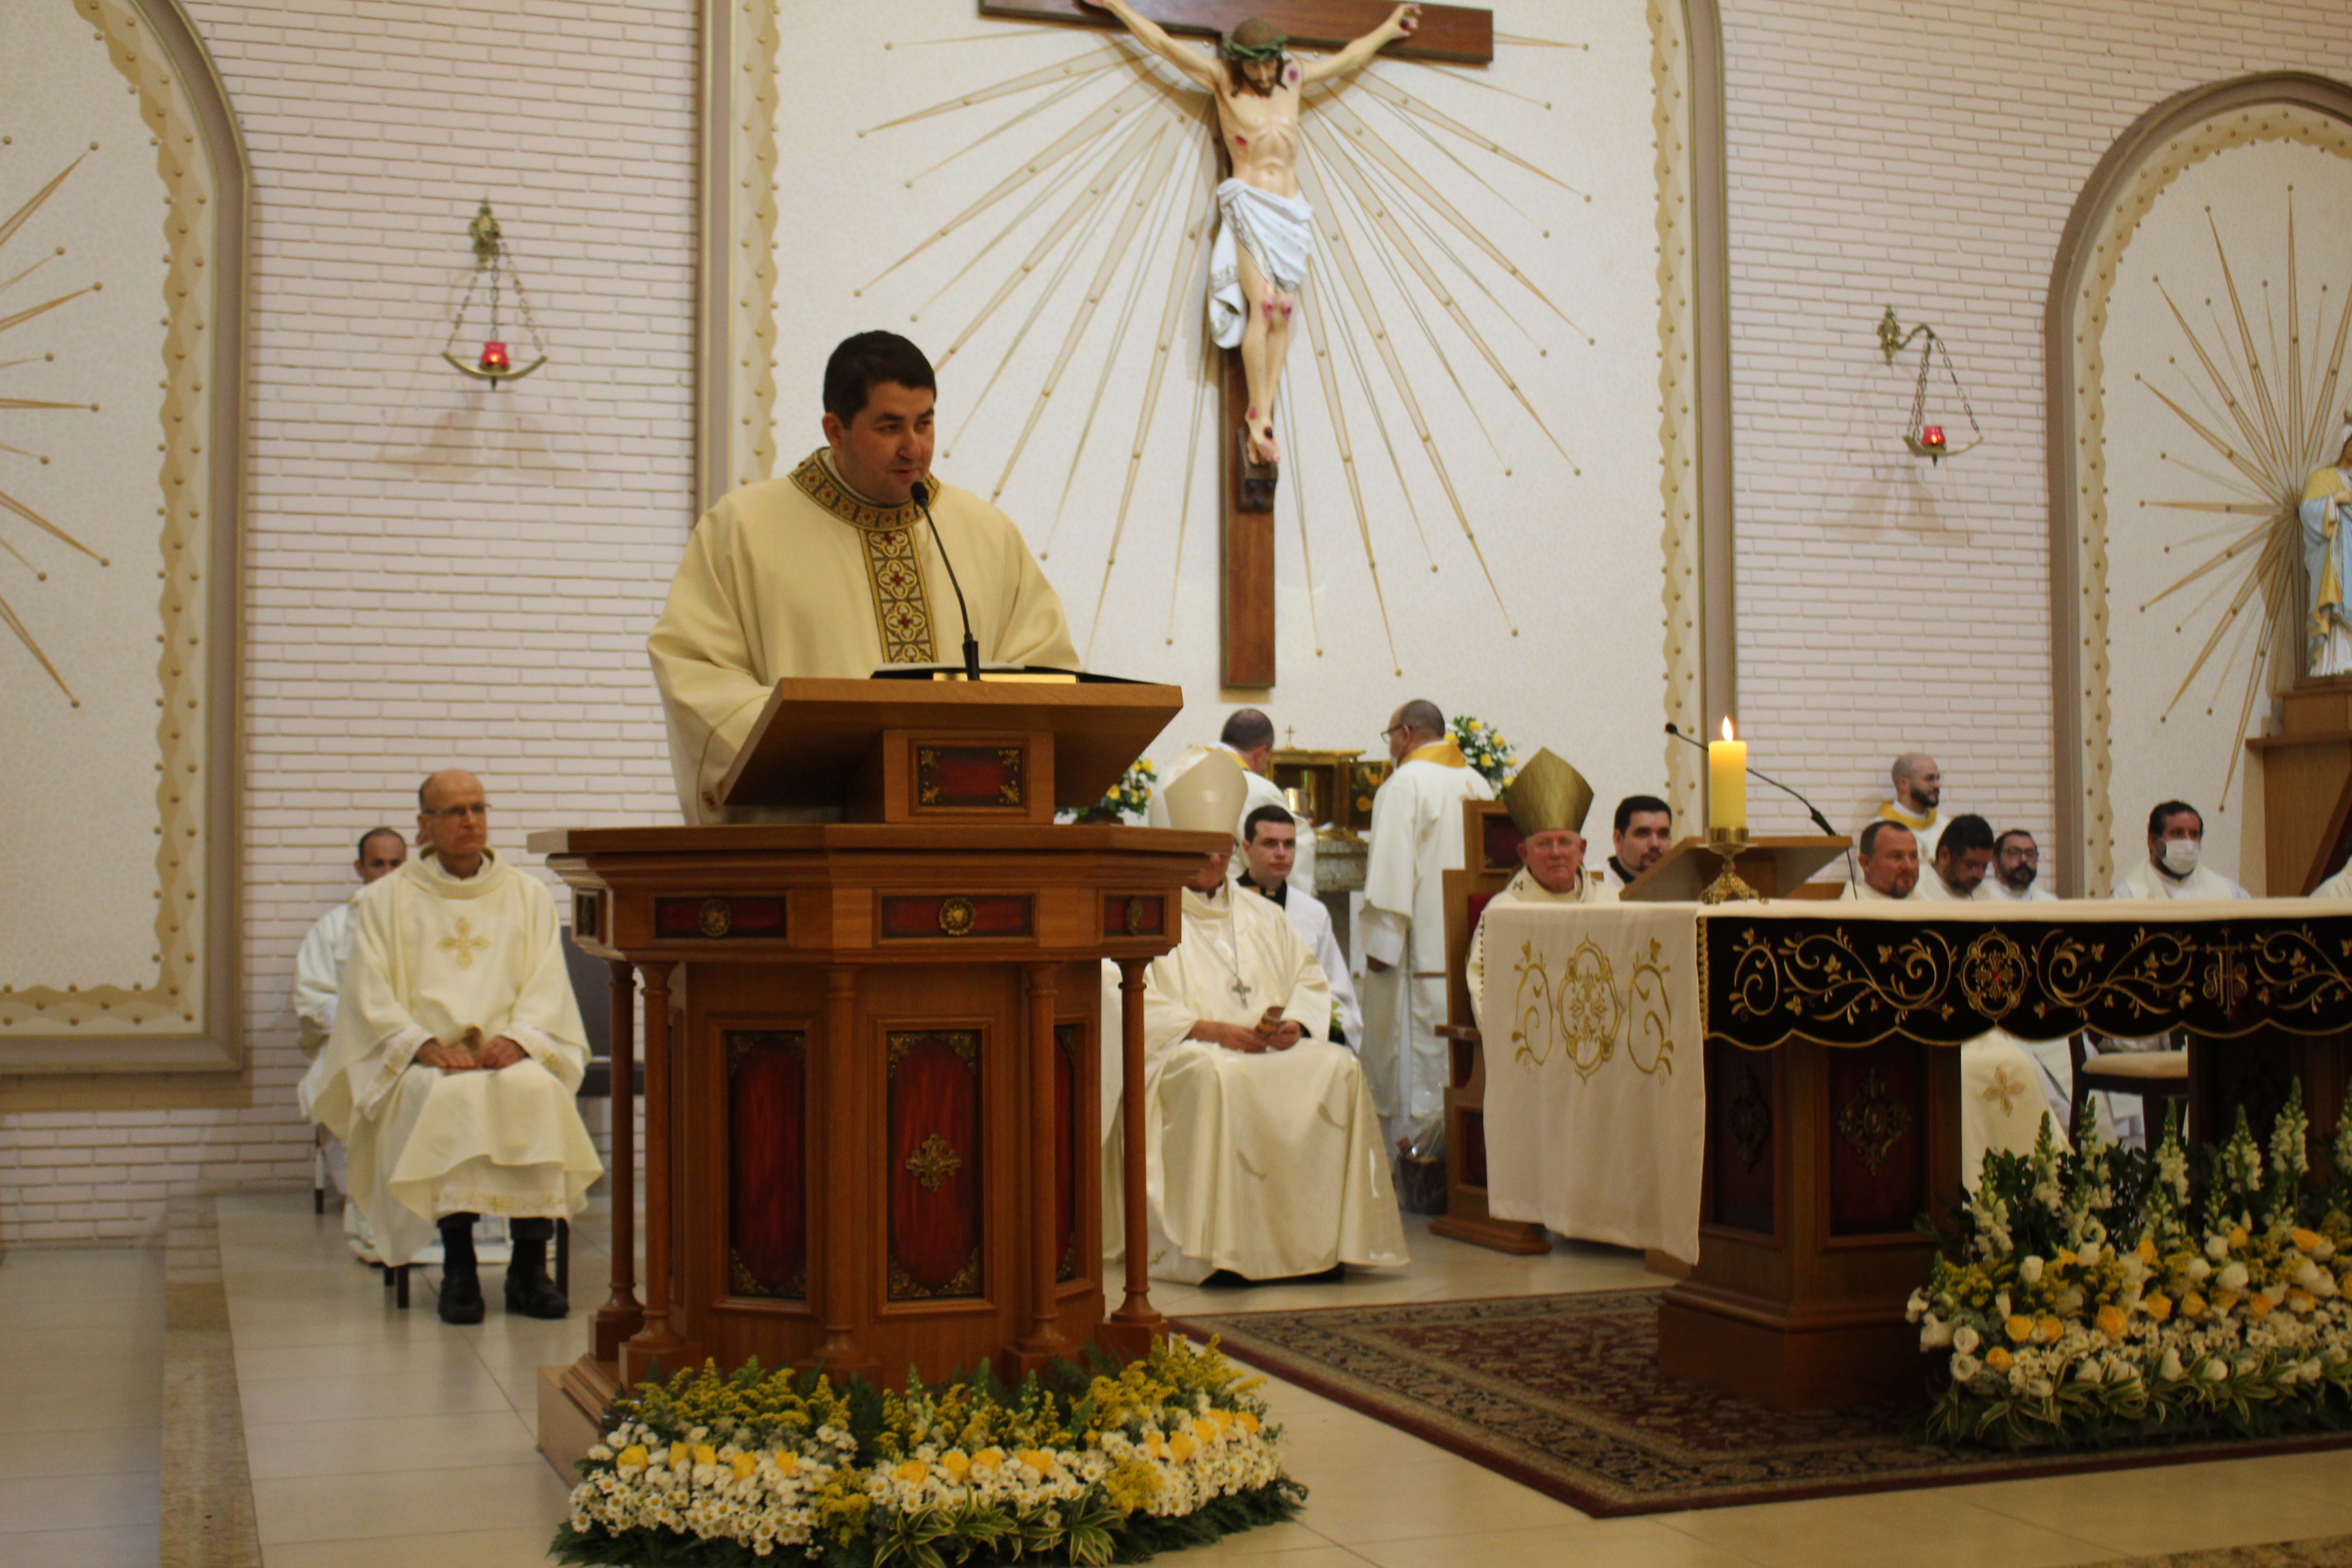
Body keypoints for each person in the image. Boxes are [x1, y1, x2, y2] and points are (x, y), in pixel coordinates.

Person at [648, 331, 1079, 821]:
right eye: (890, 427)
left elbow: (1046, 677)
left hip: (966, 842)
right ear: (835, 430)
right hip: (812, 849)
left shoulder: (985, 533)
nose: (914, 448)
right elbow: (697, 674)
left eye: (926, 422)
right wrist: (829, 748)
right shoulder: (744, 530)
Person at [309, 771, 603, 1324]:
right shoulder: (384, 902)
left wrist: (519, 1039)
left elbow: (547, 986)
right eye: (454, 812)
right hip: (429, 1060)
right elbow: (368, 993)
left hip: (505, 1053)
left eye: (478, 808)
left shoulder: (527, 895)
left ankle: (529, 1268)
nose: (470, 821)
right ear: (424, 827)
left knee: (537, 1093)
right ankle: (460, 1269)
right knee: (445, 1100)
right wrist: (420, 1045)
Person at [1081, 1, 1422, 467]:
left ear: (1280, 57)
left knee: (1284, 307)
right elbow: (1162, 43)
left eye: (1269, 60)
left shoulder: (1294, 80)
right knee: (1262, 303)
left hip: (1290, 207)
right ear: (1238, 60)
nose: (1262, 71)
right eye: (1252, 61)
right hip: (1249, 203)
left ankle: (1266, 406)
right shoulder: (1222, 81)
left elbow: (1349, 57)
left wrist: (1386, 29)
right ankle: (1257, 415)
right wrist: (1116, 6)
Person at [1132, 750, 1406, 1283]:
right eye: (1202, 849)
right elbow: (1130, 999)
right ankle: (1222, 1252)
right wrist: (1211, 1031)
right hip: (1189, 1054)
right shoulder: (1143, 912)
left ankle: (1325, 1246)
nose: (1215, 859)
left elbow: (1309, 979)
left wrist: (1297, 1026)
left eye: (1222, 848)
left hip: (1263, 1046)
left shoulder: (1263, 915)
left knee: (1337, 1067)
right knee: (1217, 1074)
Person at [1359, 699, 1493, 1191]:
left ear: (1407, 734)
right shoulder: (1479, 783)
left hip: (1416, 961)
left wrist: (1381, 948)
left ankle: (1416, 1182)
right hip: (1468, 953)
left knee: (1412, 1071)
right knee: (1456, 1066)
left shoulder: (1404, 785)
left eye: (1390, 736)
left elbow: (1392, 870)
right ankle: (1465, 1176)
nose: (1391, 747)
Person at [294, 827, 408, 1260]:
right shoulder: (332, 929)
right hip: (354, 1046)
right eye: (377, 863)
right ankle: (362, 1197)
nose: (386, 872)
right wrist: (365, 1025)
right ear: (360, 868)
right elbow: (312, 999)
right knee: (342, 1083)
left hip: (415, 1046)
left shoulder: (423, 922)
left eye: (396, 863)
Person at [1465, 750, 1615, 1028]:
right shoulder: (1503, 913)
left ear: (1582, 850)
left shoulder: (1614, 903)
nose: (1556, 853)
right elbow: (1484, 992)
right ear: (1524, 854)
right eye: (1544, 844)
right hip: (1534, 1046)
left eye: (1565, 842)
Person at [1148, 709, 1313, 896]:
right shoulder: (1255, 788)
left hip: (1167, 898)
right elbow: (1294, 848)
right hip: (1226, 904)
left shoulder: (1167, 776)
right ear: (1262, 752)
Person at [1236, 804, 1358, 1047]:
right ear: (1247, 848)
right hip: (1239, 1033)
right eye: (1270, 843)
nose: (1281, 853)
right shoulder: (1224, 903)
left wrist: (1303, 1027)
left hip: (1297, 1038)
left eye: (1289, 844)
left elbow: (1337, 994)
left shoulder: (1312, 912)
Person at [2112, 801, 2250, 900]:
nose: (2188, 842)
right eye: (2177, 833)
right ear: (2153, 841)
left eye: (2194, 835)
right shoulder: (2126, 896)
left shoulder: (2231, 893)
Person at [2300, 430, 2352, 677]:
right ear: (2344, 443)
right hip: (2335, 562)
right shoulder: (2322, 478)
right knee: (2338, 608)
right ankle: (2334, 662)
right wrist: (2337, 499)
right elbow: (2308, 514)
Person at [1874, 753, 1947, 862]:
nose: (1937, 785)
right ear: (1904, 784)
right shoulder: (1878, 831)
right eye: (1930, 779)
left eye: (1938, 778)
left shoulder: (1945, 827)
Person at [1597, 794, 1673, 892]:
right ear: (1619, 839)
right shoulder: (1593, 886)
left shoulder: (1684, 885)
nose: (1655, 844)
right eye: (1643, 834)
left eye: (1663, 834)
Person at [1914, 813, 1995, 901]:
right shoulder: (1915, 888)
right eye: (1971, 866)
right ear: (1945, 856)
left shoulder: (1986, 895)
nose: (1980, 875)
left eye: (1984, 866)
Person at [1840, 820, 1918, 900]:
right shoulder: (1852, 909)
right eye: (1896, 857)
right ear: (1866, 863)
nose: (1909, 866)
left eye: (1914, 857)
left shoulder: (1923, 900)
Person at [1981, 828, 2059, 902]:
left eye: (2030, 854)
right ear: (1996, 861)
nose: (2024, 859)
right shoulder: (1978, 898)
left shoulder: (2048, 902)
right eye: (2014, 853)